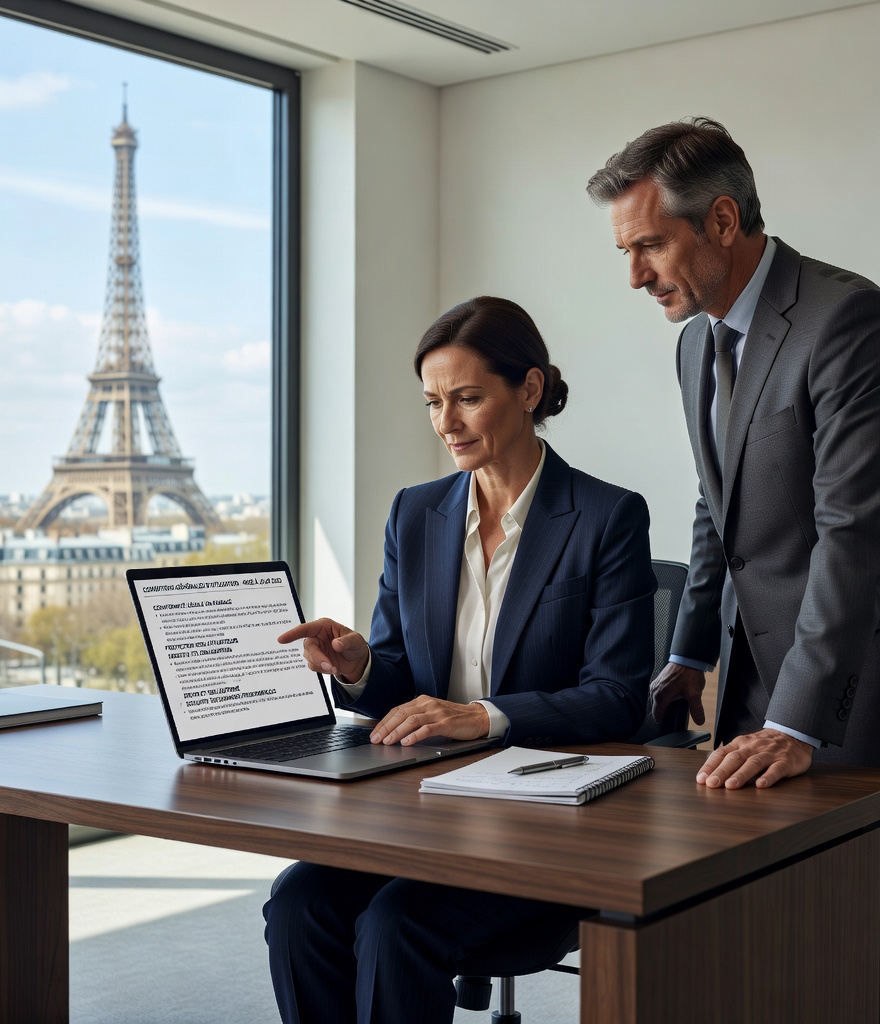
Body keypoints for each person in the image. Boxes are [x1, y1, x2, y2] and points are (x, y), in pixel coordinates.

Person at [586, 117, 880, 1024]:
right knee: (763, 933)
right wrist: (687, 654)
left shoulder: (851, 320)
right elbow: (714, 508)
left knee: (871, 947)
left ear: (722, 220)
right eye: (626, 249)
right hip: (752, 682)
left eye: (649, 244)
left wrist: (799, 721)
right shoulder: (694, 342)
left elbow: (857, 536)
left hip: (863, 686)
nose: (635, 276)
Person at [263, 294, 656, 1024]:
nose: (447, 423)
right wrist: (357, 668)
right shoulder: (415, 513)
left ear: (529, 389)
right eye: (434, 402)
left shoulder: (607, 516)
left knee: (395, 923)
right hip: (423, 809)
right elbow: (404, 687)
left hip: (544, 820)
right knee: (298, 903)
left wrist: (483, 717)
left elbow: (618, 698)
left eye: (468, 398)